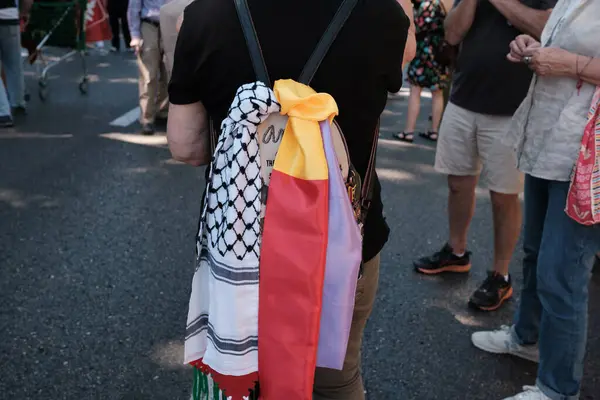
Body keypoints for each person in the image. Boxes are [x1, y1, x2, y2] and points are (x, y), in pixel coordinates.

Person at [167, 0, 411, 398]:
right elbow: (403, 55)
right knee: (336, 378)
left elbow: (187, 147)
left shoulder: (205, 15)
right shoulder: (382, 14)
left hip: (241, 241)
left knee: (242, 381)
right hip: (338, 243)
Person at [472, 1, 600, 398]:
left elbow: (573, 59)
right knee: (535, 253)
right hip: (551, 141)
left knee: (563, 271)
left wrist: (569, 64)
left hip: (585, 154)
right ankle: (526, 338)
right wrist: (533, 46)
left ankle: (558, 388)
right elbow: (560, 42)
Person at [413, 0, 556, 311]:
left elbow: (547, 28)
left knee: (504, 196)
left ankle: (500, 275)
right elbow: (451, 35)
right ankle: (456, 252)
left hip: (512, 108)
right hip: (464, 97)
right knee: (457, 182)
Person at [394, 0, 451, 143]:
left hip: (423, 52)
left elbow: (415, 26)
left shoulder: (427, 4)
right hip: (440, 52)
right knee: (437, 93)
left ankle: (409, 131)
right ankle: (434, 131)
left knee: (415, 90)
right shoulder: (449, 2)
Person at [128, 0, 169, 135]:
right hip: (149, 25)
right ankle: (147, 118)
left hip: (170, 23)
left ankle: (163, 110)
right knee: (148, 75)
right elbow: (133, 8)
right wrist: (135, 36)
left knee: (169, 73)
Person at [0, 0, 31, 127]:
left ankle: (3, 112)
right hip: (11, 17)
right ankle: (18, 102)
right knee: (13, 63)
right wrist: (23, 12)